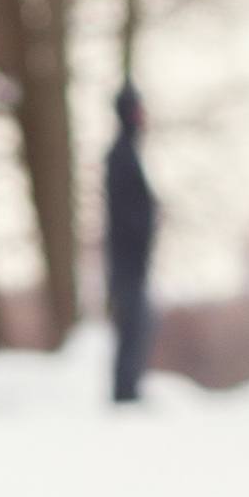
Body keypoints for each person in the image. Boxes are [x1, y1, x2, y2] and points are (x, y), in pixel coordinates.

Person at [103, 85, 158, 406]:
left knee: (138, 325)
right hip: (127, 261)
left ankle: (129, 389)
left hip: (133, 260)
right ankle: (125, 393)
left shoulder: (128, 153)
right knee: (131, 325)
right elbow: (126, 212)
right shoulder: (121, 155)